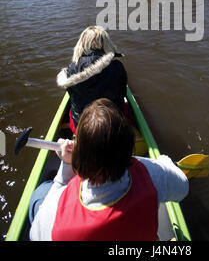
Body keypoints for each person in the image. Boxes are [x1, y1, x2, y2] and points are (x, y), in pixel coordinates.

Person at [29, 99, 189, 241]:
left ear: (81, 157)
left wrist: (66, 167)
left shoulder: (56, 211)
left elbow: (35, 235)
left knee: (40, 193)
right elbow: (183, 188)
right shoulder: (151, 173)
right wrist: (163, 161)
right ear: (128, 151)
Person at [56, 26, 127, 133]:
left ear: (82, 43)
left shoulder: (71, 70)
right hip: (113, 123)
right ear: (106, 43)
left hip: (82, 126)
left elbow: (72, 98)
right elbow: (123, 93)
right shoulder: (117, 66)